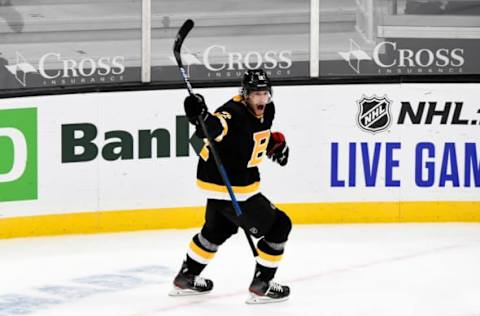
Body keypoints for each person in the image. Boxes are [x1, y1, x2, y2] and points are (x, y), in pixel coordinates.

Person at [169, 69, 292, 304]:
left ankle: (186, 277)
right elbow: (216, 127)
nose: (261, 99)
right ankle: (262, 284)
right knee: (280, 225)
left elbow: (251, 137)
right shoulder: (231, 112)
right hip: (234, 187)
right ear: (244, 94)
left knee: (215, 233)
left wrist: (272, 144)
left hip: (219, 186)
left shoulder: (268, 110)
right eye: (255, 94)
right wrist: (201, 117)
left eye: (265, 93)